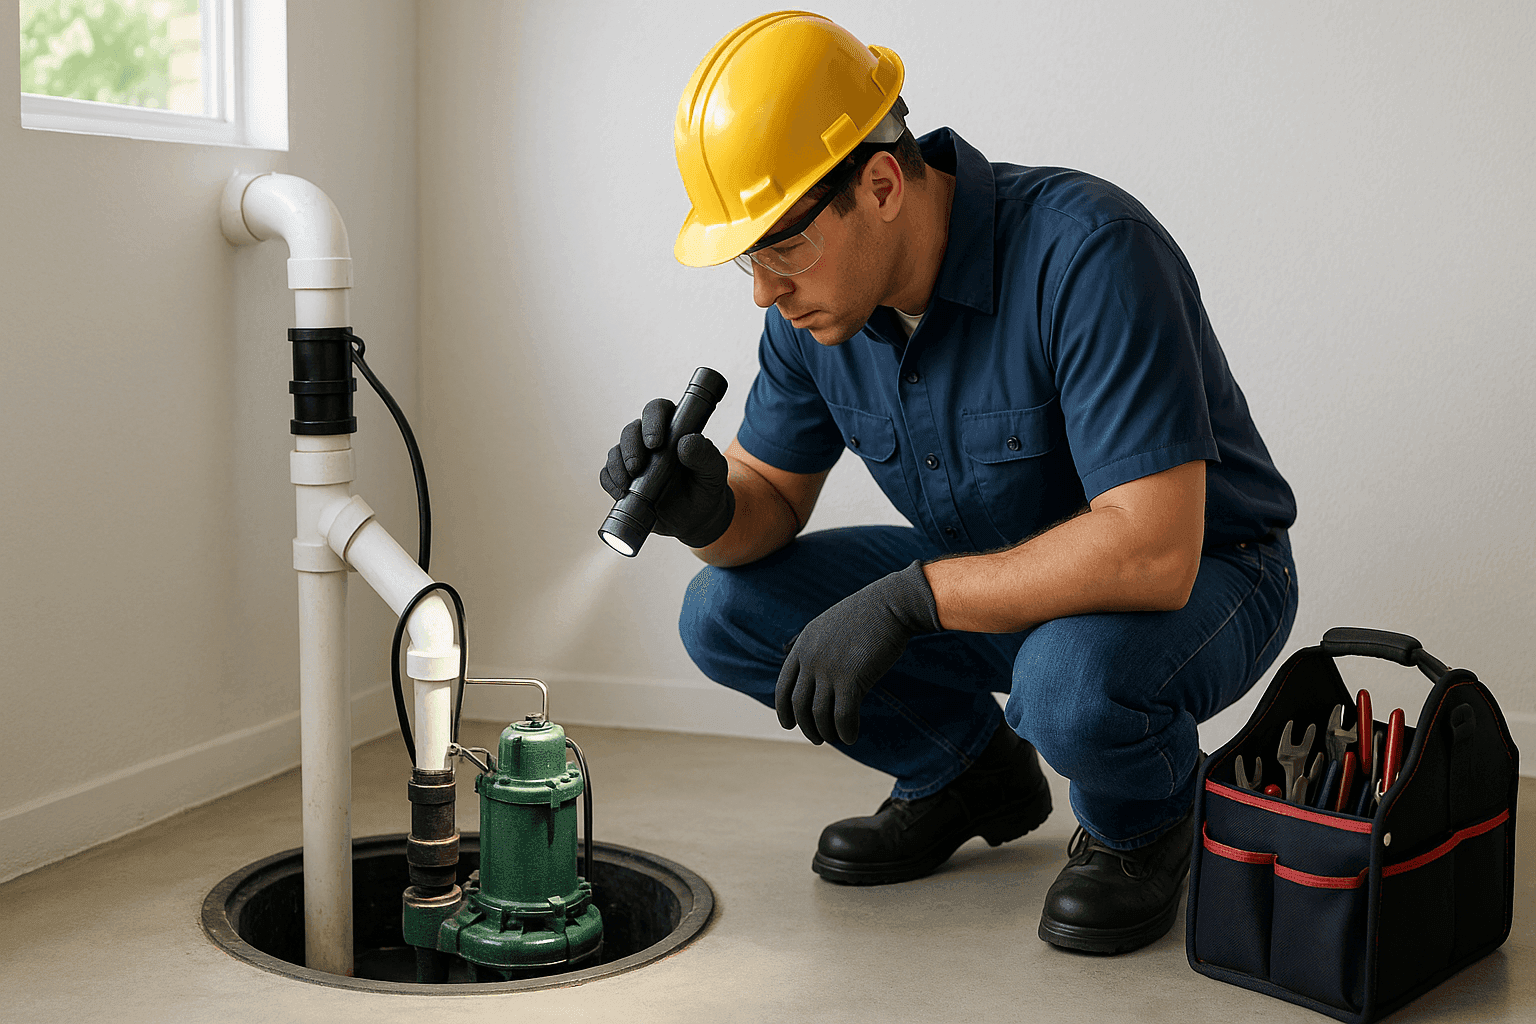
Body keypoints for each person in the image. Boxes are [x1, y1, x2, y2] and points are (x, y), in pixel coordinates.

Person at [601, 10, 1297, 955]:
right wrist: (710, 508)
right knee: (721, 607)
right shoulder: (817, 316)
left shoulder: (1090, 254)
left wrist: (911, 599)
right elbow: (769, 498)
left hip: (1211, 573)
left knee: (1066, 682)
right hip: (989, 587)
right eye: (746, 258)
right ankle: (966, 773)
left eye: (780, 247)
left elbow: (1150, 549)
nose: (764, 290)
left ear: (881, 183)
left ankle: (1147, 822)